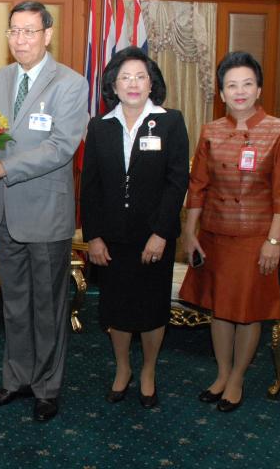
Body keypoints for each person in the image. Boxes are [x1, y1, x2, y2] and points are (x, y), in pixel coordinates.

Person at [0, 0, 88, 422]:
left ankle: (47, 387)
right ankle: (16, 379)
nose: (20, 39)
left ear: (47, 35)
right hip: (4, 213)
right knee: (14, 305)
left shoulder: (70, 83)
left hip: (46, 214)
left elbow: (60, 147)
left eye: (30, 31)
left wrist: (1, 169)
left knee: (48, 307)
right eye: (14, 31)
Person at [179, 51, 280, 412]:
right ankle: (221, 373)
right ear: (221, 93)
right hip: (215, 234)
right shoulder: (211, 131)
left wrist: (273, 241)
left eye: (247, 84)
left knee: (247, 310)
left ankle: (237, 378)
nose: (240, 91)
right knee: (220, 308)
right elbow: (198, 185)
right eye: (232, 85)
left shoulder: (278, 129)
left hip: (255, 238)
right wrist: (190, 231)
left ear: (259, 89)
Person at [80, 47, 189, 408]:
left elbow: (177, 183)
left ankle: (149, 372)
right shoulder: (100, 126)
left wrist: (161, 233)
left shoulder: (170, 122)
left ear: (151, 83)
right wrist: (94, 236)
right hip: (113, 238)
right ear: (113, 84)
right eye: (124, 77)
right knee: (117, 308)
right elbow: (90, 186)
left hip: (153, 236)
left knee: (152, 308)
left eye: (140, 77)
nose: (133, 84)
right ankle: (123, 368)